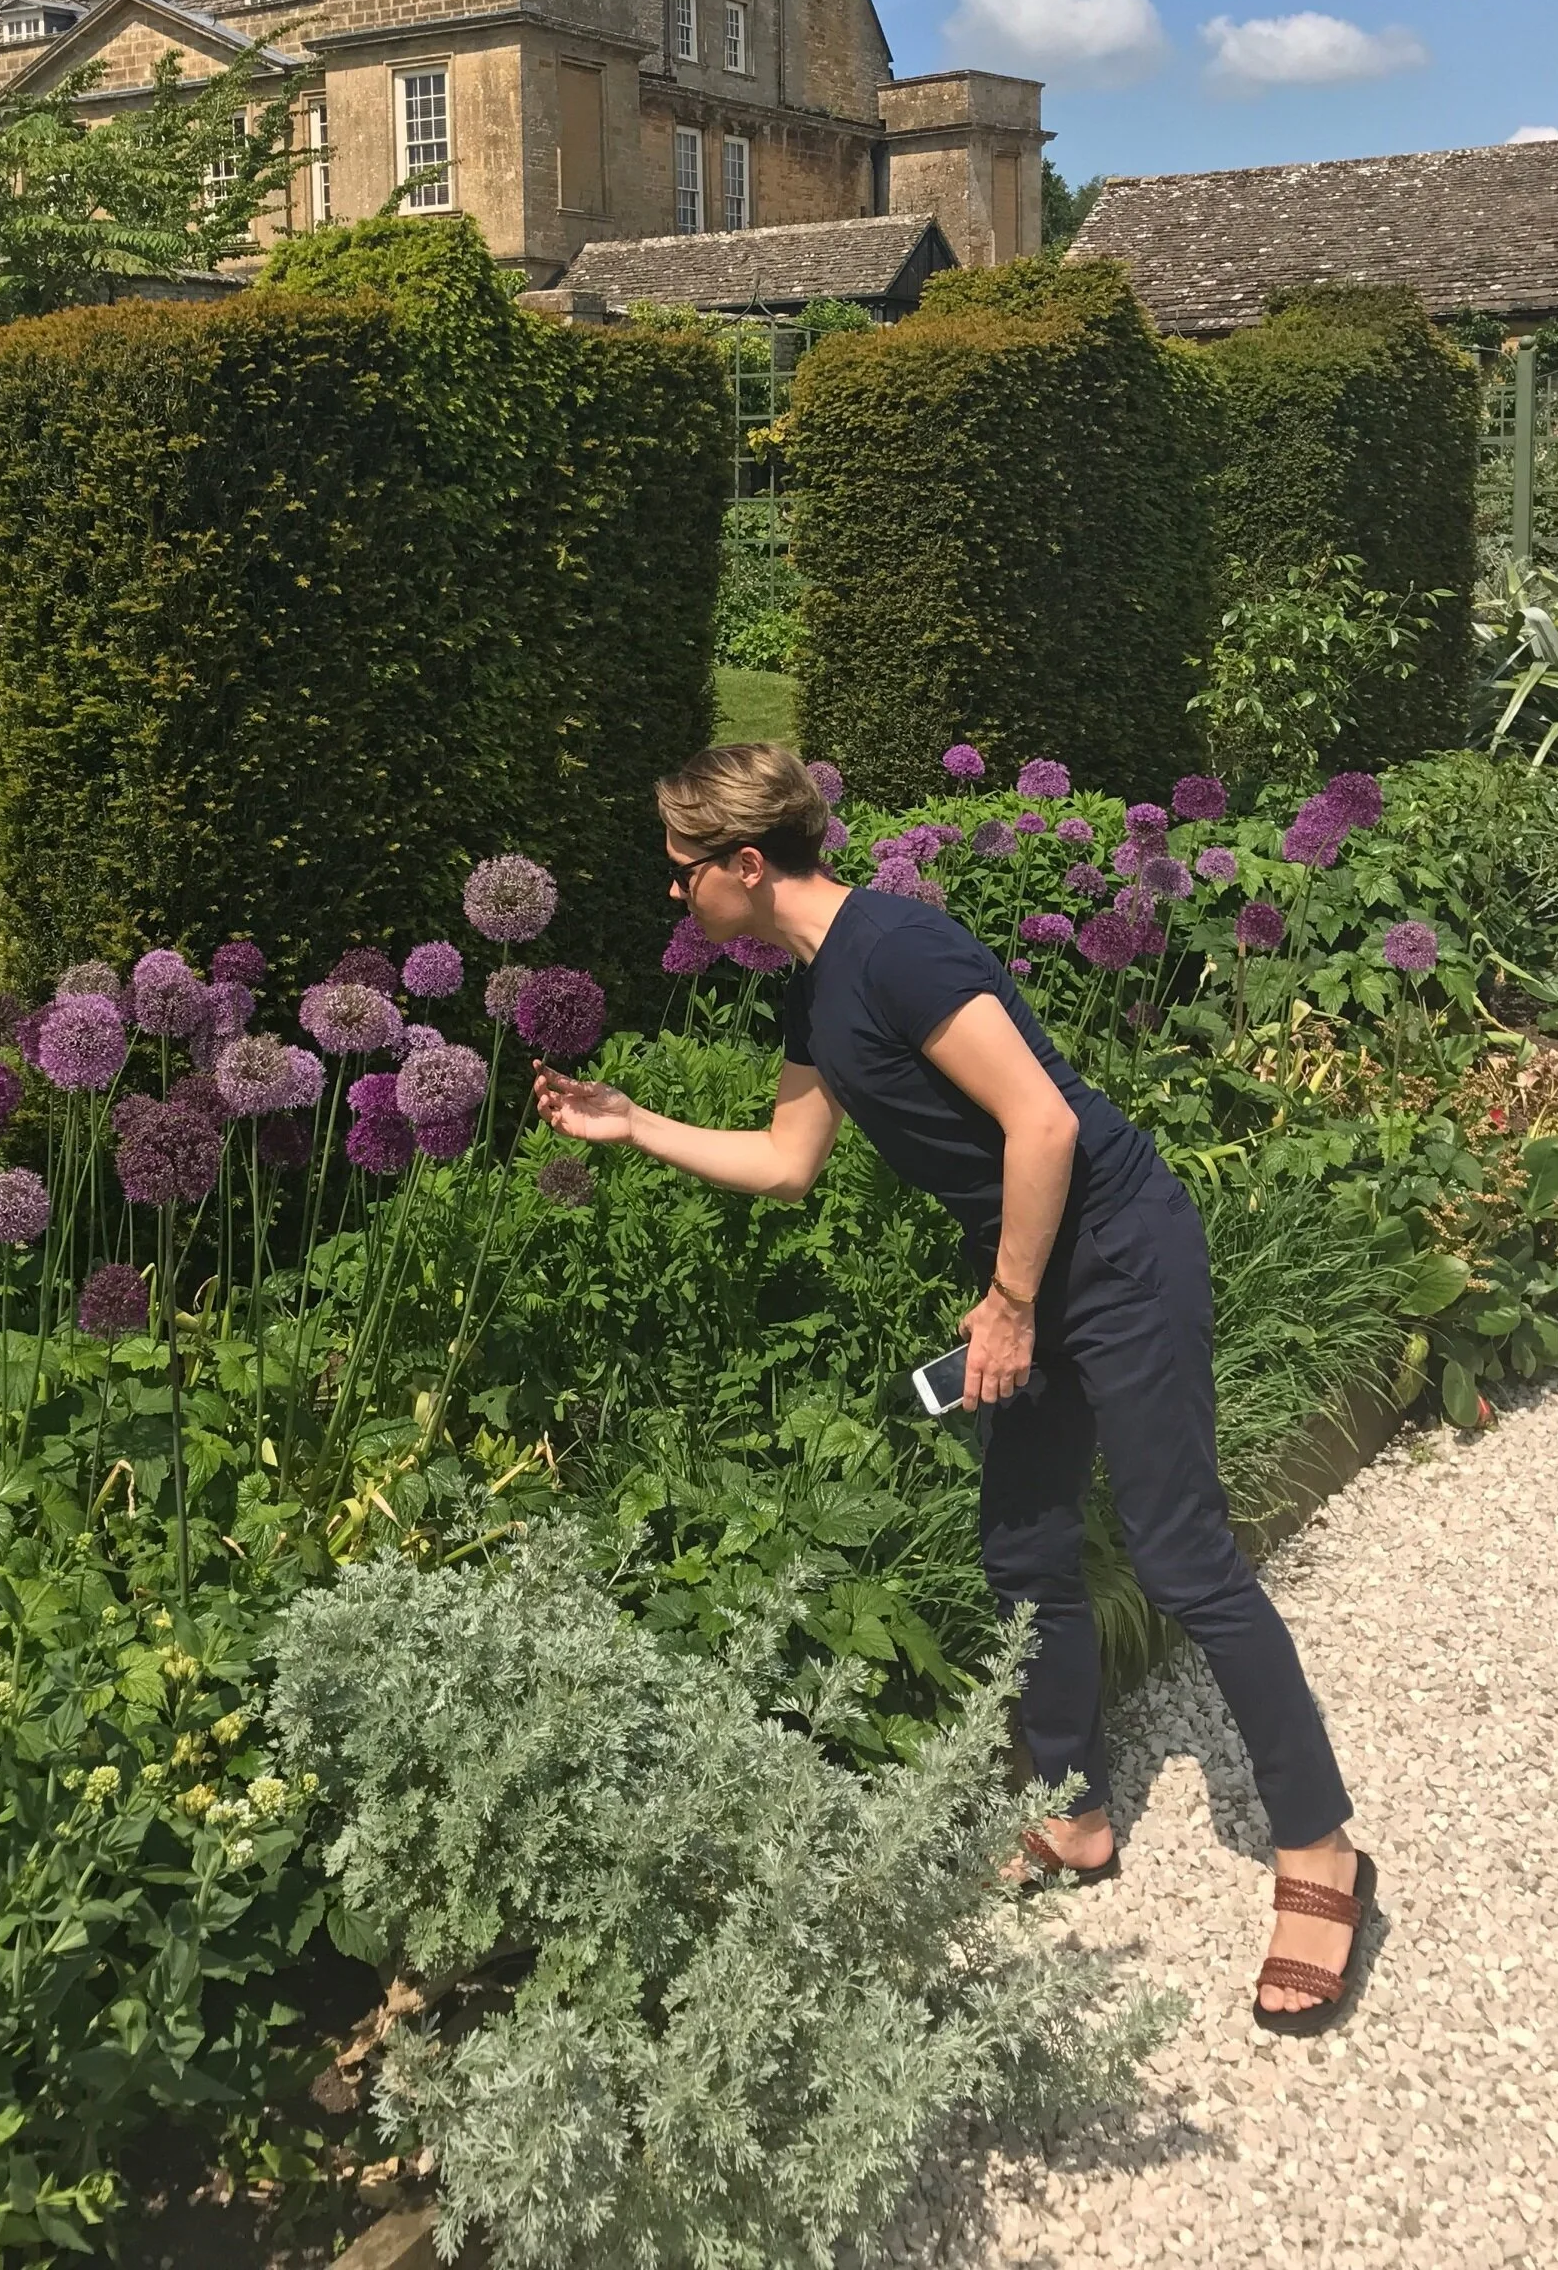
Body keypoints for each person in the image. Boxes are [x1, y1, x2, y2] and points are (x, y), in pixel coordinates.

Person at [532, 741, 1376, 2034]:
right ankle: (1075, 1816)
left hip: (1116, 1255)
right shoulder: (813, 994)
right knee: (1023, 1545)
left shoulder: (899, 950)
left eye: (681, 873)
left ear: (744, 867)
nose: (675, 896)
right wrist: (631, 1123)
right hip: (1031, 1268)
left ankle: (1318, 1850)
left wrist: (1009, 1302)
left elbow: (1039, 1123)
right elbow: (783, 1161)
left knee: (1180, 1554)